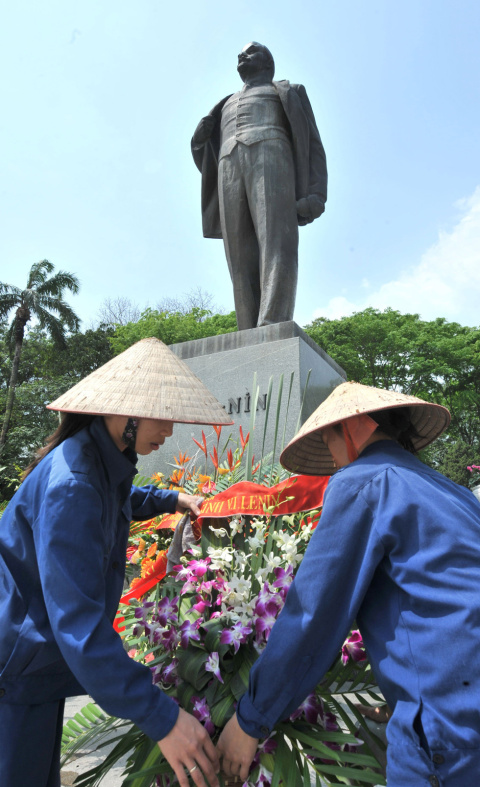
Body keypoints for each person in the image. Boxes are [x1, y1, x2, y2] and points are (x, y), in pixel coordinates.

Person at [217, 381, 480, 786]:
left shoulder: (365, 482)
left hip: (449, 732)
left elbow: (313, 617)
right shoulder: (453, 491)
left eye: (328, 439)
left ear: (354, 426)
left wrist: (251, 720)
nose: (335, 460)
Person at [0, 337, 233, 787]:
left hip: (36, 662)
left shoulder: (100, 460)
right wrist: (160, 716)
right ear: (124, 411)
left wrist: (177, 499)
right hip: (18, 664)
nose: (168, 431)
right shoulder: (74, 483)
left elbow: (126, 497)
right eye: (161, 416)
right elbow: (78, 623)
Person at [191, 42, 327, 330]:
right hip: (228, 166)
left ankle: (272, 320)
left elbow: (313, 144)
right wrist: (199, 141)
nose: (242, 55)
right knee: (238, 254)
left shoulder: (288, 91)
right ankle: (247, 327)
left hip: (272, 155)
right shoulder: (224, 103)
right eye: (240, 53)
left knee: (276, 242)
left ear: (267, 64)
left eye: (251, 52)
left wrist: (316, 193)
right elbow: (206, 155)